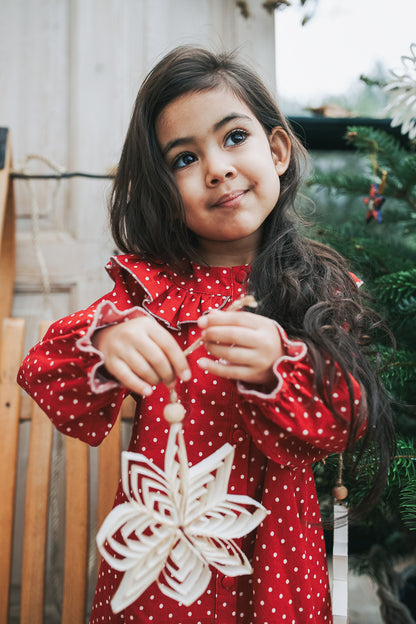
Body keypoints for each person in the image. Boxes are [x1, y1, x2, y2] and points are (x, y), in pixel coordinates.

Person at [18, 45, 395, 624]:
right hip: (163, 558)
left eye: (234, 138)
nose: (216, 167)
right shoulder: (148, 289)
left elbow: (349, 417)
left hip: (276, 558)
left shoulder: (318, 288)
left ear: (277, 149)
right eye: (184, 158)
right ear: (165, 189)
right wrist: (106, 340)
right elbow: (44, 370)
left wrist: (284, 362)